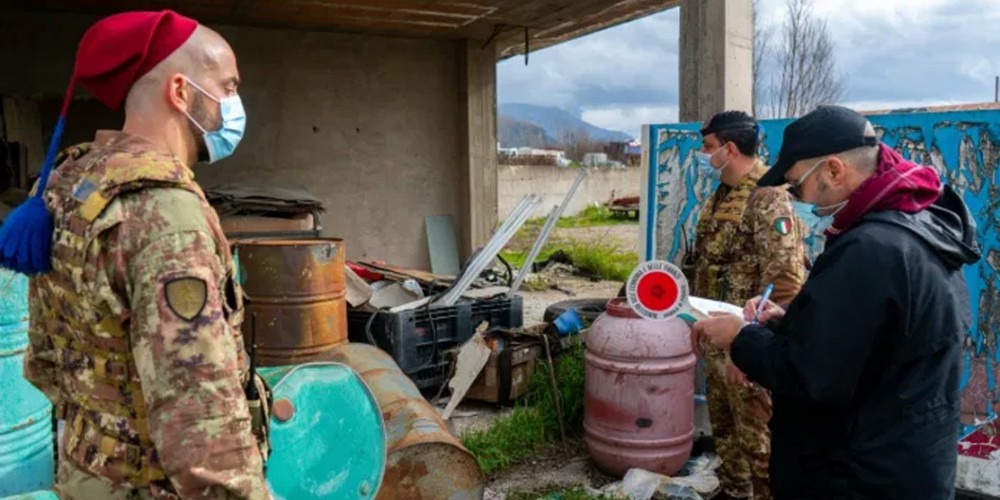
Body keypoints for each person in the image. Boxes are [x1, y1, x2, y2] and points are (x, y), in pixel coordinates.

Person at [6, 10, 270, 499]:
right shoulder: (166, 215)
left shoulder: (71, 188)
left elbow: (43, 360)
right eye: (228, 87)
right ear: (181, 92)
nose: (235, 105)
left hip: (87, 476)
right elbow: (201, 427)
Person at [692, 105, 981, 499]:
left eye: (796, 185)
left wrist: (740, 338)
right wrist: (787, 322)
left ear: (833, 170)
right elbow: (864, 339)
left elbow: (813, 375)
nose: (799, 199)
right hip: (901, 457)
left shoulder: (871, 249)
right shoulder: (913, 226)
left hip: (863, 474)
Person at [687, 111, 806, 500]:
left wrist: (750, 347)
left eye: (708, 148)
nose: (704, 156)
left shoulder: (768, 197)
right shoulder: (722, 192)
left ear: (730, 148)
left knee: (760, 448)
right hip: (718, 339)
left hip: (747, 348)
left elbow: (786, 282)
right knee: (727, 436)